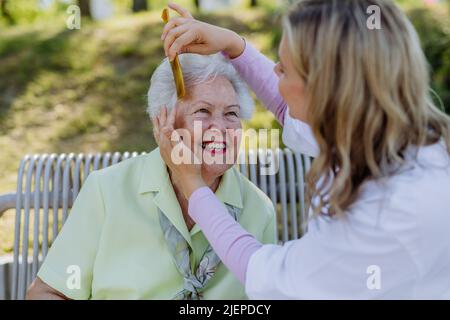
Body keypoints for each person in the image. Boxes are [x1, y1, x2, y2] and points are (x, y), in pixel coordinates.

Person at [154, 1, 450, 299]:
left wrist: (191, 185)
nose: (276, 74)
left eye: (284, 69)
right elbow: (287, 108)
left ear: (325, 90)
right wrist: (233, 45)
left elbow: (270, 277)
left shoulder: (388, 214)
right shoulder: (387, 133)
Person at [26, 53, 276, 300]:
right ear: (163, 121)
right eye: (202, 111)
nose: (220, 128)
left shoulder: (258, 209)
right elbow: (48, 293)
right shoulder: (107, 191)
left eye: (231, 114)